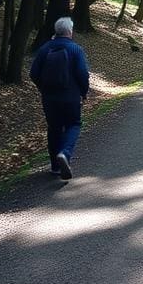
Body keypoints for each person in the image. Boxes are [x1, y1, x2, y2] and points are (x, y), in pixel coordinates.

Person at [29, 16, 89, 180]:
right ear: (70, 32)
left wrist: (44, 88)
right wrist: (84, 92)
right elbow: (83, 74)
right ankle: (65, 153)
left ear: (56, 31)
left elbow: (33, 73)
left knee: (54, 128)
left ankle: (55, 167)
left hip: (49, 99)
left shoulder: (44, 49)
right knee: (74, 124)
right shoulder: (75, 49)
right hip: (70, 97)